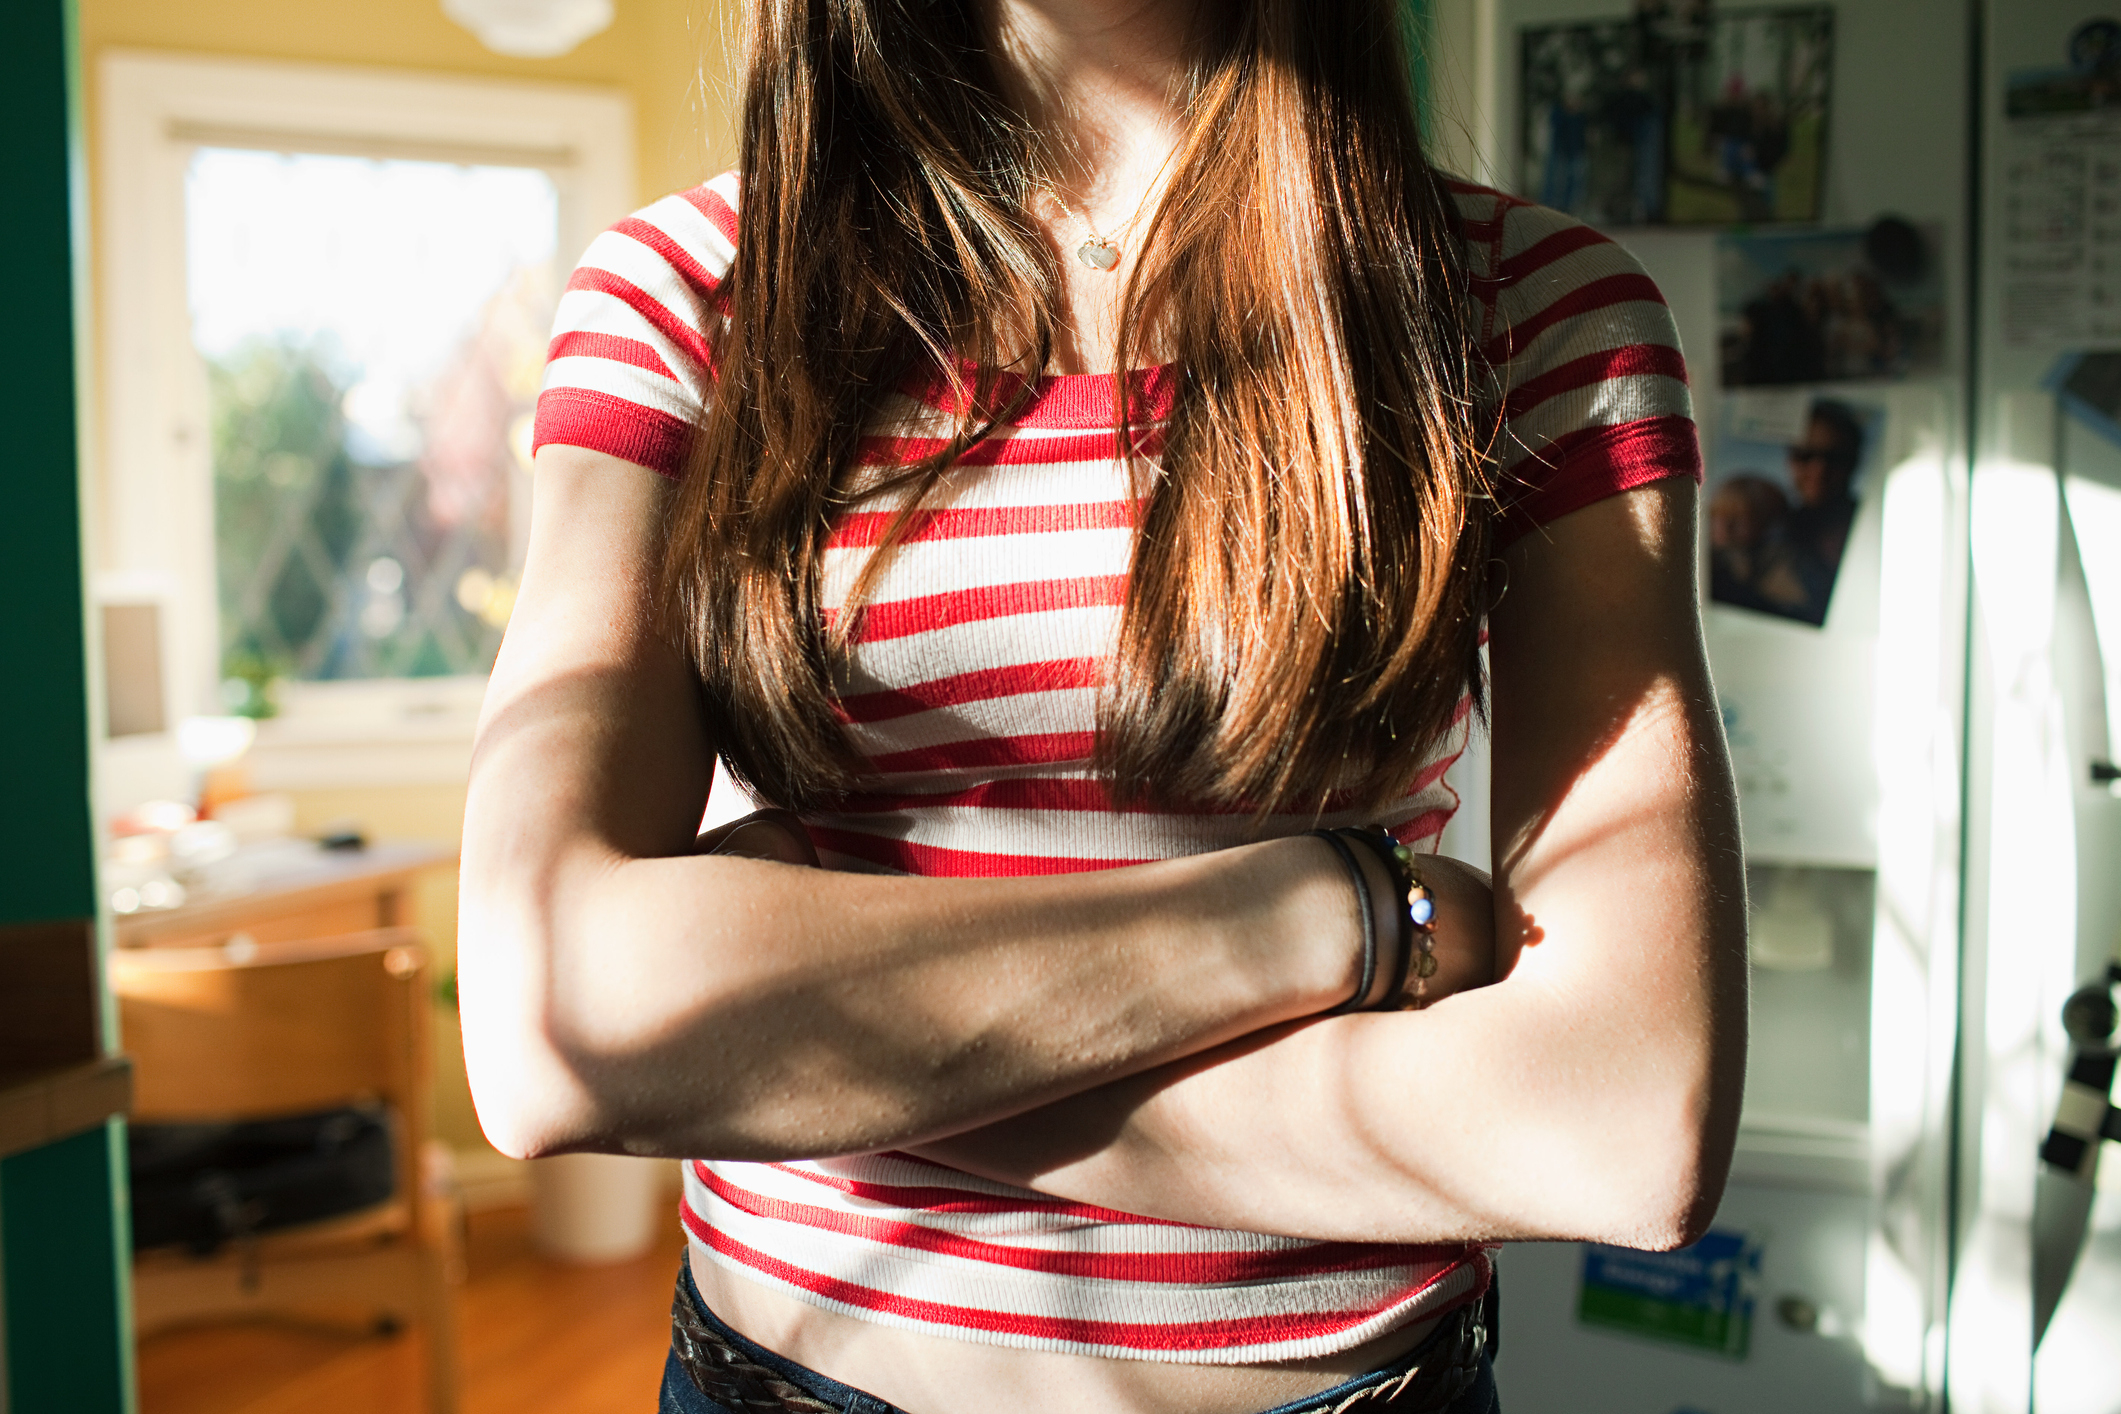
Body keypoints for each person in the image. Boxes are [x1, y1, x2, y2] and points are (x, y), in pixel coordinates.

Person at [457, 0, 1748, 1409]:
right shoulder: (684, 295)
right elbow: (552, 1026)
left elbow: (1620, 1126)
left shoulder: (1529, 308)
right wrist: (1319, 916)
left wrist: (790, 1044)